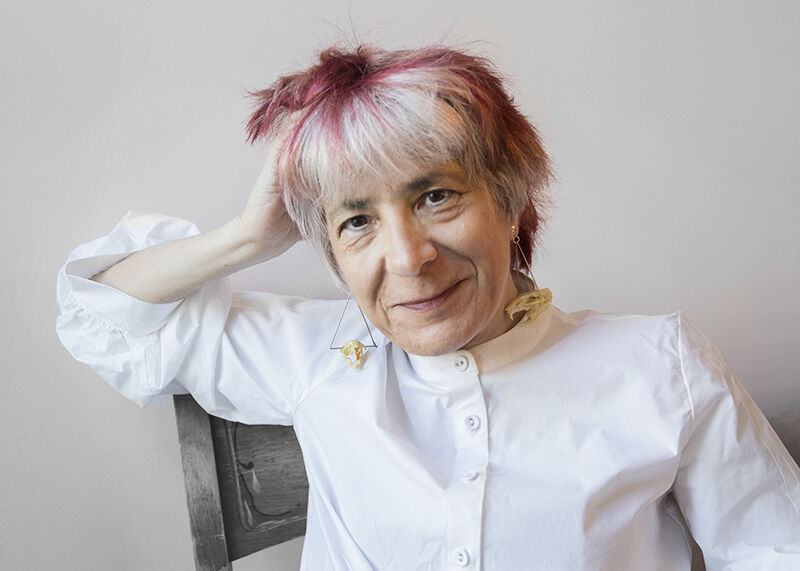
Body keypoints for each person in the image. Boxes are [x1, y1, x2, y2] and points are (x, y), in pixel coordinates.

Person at [56, 45, 800, 570]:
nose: (409, 257)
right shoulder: (316, 357)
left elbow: (774, 547)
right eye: (357, 222)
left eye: (435, 195)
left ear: (510, 200)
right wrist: (248, 237)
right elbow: (103, 319)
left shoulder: (658, 364)